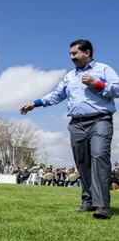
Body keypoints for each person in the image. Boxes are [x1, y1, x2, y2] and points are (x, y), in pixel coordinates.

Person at [20, 39, 119, 219]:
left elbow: (118, 89)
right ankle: (88, 201)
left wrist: (98, 84)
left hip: (100, 120)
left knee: (99, 157)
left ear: (87, 52)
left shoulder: (103, 69)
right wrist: (35, 103)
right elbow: (57, 95)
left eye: (75, 53)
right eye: (70, 54)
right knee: (82, 163)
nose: (71, 57)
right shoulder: (70, 76)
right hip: (77, 124)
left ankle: (102, 205)